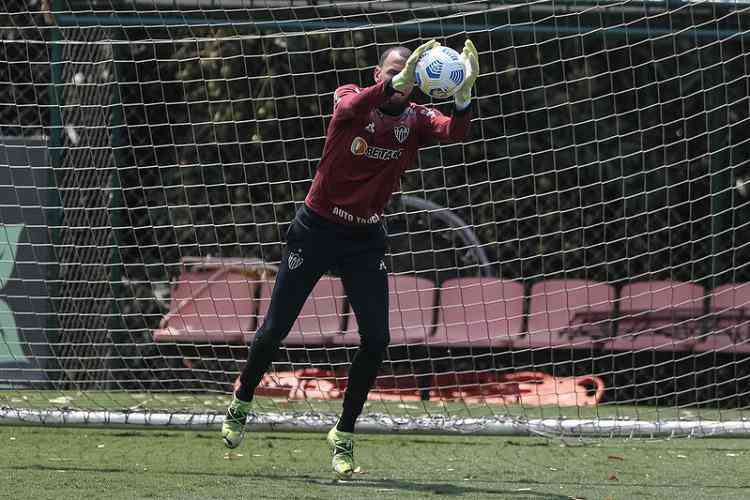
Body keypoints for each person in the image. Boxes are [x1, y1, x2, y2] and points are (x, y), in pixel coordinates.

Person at [222, 38, 479, 479]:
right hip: (316, 228)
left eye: (412, 73)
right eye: (396, 71)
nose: (404, 78)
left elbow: (455, 131)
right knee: (274, 330)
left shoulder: (416, 119)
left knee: (377, 340)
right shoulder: (350, 96)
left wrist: (463, 95)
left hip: (364, 237)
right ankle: (243, 398)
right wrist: (393, 82)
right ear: (379, 75)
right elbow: (345, 114)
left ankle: (343, 432)